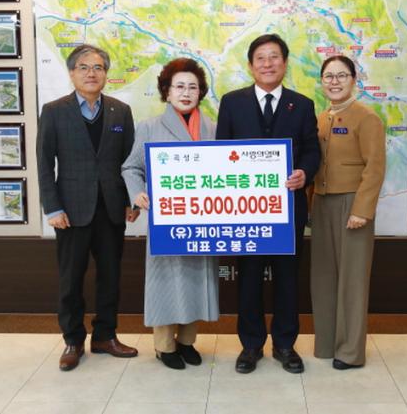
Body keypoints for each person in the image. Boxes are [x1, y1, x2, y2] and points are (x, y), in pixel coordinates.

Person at [216, 34, 320, 374]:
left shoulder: (301, 104)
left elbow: (311, 149)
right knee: (248, 278)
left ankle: (285, 345)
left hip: (288, 209)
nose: (267, 63)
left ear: (285, 63)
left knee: (287, 279)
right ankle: (250, 346)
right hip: (247, 211)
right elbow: (221, 151)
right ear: (251, 65)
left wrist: (304, 173)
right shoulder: (232, 103)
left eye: (274, 57)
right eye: (260, 58)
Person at [36, 44, 139, 371]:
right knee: (71, 279)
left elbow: (129, 162)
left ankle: (106, 336)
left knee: (110, 277)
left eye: (98, 67)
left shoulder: (121, 111)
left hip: (111, 208)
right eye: (83, 67)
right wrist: (52, 208)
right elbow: (44, 164)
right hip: (71, 211)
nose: (91, 73)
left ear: (106, 74)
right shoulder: (54, 111)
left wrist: (130, 200)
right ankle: (73, 340)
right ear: (71, 73)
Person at [121, 58, 219, 370]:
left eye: (193, 87)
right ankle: (164, 346)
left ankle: (187, 341)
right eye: (179, 86)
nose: (186, 93)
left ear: (200, 92)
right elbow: (131, 168)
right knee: (167, 281)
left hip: (202, 219)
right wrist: (137, 194)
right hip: (167, 220)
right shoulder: (150, 127)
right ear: (167, 90)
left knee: (194, 279)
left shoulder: (212, 128)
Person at [310, 55, 386, 370]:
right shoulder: (321, 118)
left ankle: (350, 352)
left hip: (352, 206)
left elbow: (375, 167)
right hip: (323, 203)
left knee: (352, 281)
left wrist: (362, 210)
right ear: (322, 81)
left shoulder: (366, 117)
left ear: (354, 79)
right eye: (329, 76)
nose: (335, 82)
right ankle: (327, 344)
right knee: (324, 278)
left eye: (342, 75)